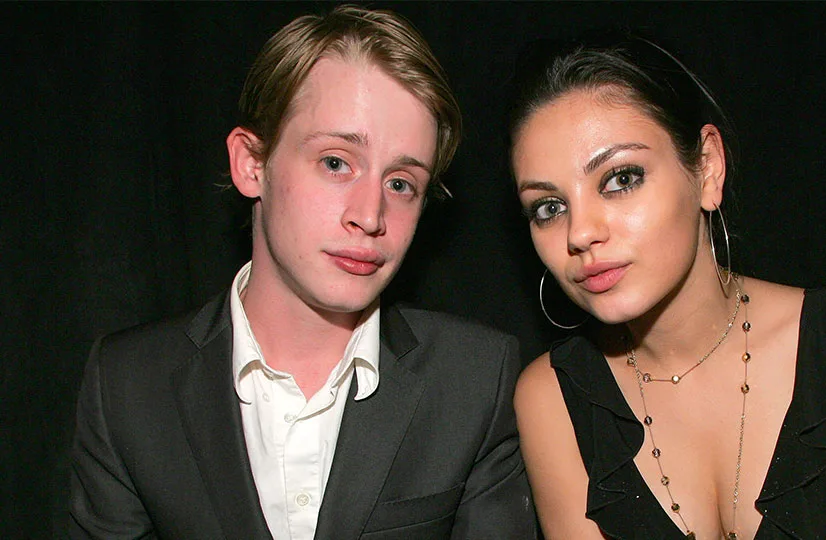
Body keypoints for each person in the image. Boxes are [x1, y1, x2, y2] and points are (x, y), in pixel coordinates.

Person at [68, 6, 535, 539]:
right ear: (251, 163)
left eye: (401, 183)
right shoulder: (127, 386)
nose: (370, 213)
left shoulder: (475, 380)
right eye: (336, 162)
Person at [510, 35, 826, 539]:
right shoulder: (550, 398)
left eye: (620, 179)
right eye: (549, 207)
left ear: (707, 167)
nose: (580, 233)